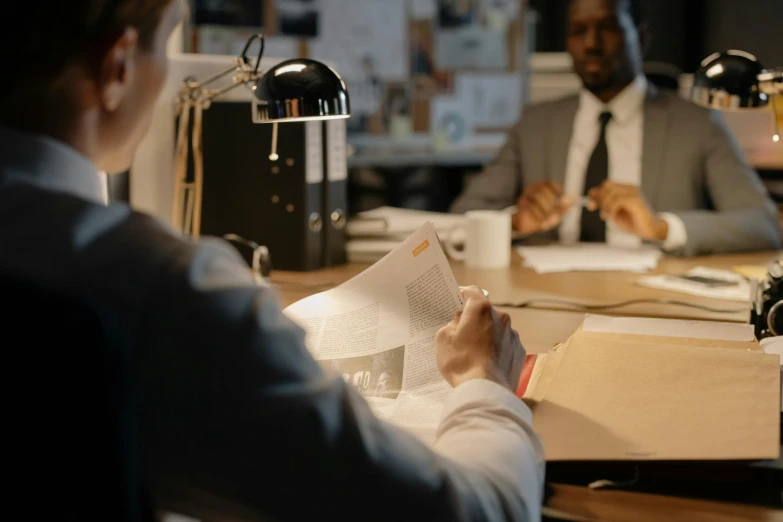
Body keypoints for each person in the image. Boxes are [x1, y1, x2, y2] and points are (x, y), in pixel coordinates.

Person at [0, 1, 544, 521]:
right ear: (116, 66)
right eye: (167, 42)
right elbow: (478, 513)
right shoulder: (163, 294)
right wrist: (484, 381)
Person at [450, 0, 781, 257]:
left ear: (641, 36)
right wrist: (515, 223)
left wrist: (661, 227)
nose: (591, 44)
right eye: (579, 31)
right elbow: (460, 219)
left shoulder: (697, 122)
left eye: (607, 27)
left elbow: (762, 225)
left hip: (651, 302)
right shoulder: (535, 124)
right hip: (548, 296)